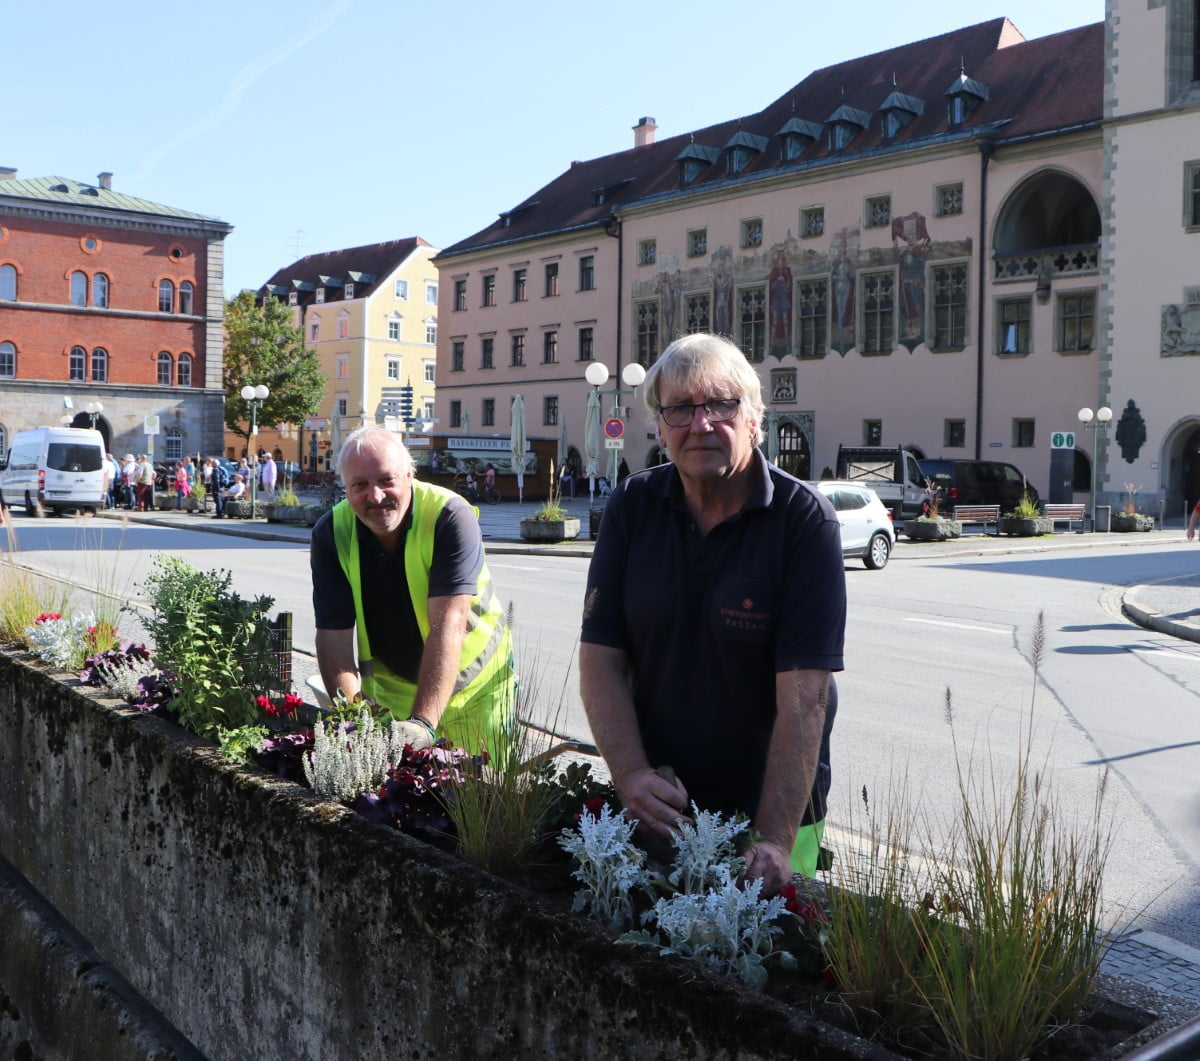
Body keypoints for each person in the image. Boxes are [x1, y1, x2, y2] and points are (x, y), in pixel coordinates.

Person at [579, 332, 846, 895]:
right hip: (660, 802)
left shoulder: (804, 521)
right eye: (679, 408)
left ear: (754, 417)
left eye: (720, 404)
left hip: (775, 811)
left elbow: (805, 698)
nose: (700, 424)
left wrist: (774, 839)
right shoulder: (631, 506)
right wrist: (631, 775)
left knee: (771, 942)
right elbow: (600, 660)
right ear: (659, 426)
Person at [309, 426, 515, 751]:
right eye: (360, 485)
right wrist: (352, 720)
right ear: (344, 487)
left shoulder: (449, 516)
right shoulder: (331, 533)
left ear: (409, 475)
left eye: (386, 480)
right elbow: (334, 637)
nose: (375, 496)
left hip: (477, 692)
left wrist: (423, 723)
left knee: (482, 783)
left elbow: (449, 625)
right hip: (395, 694)